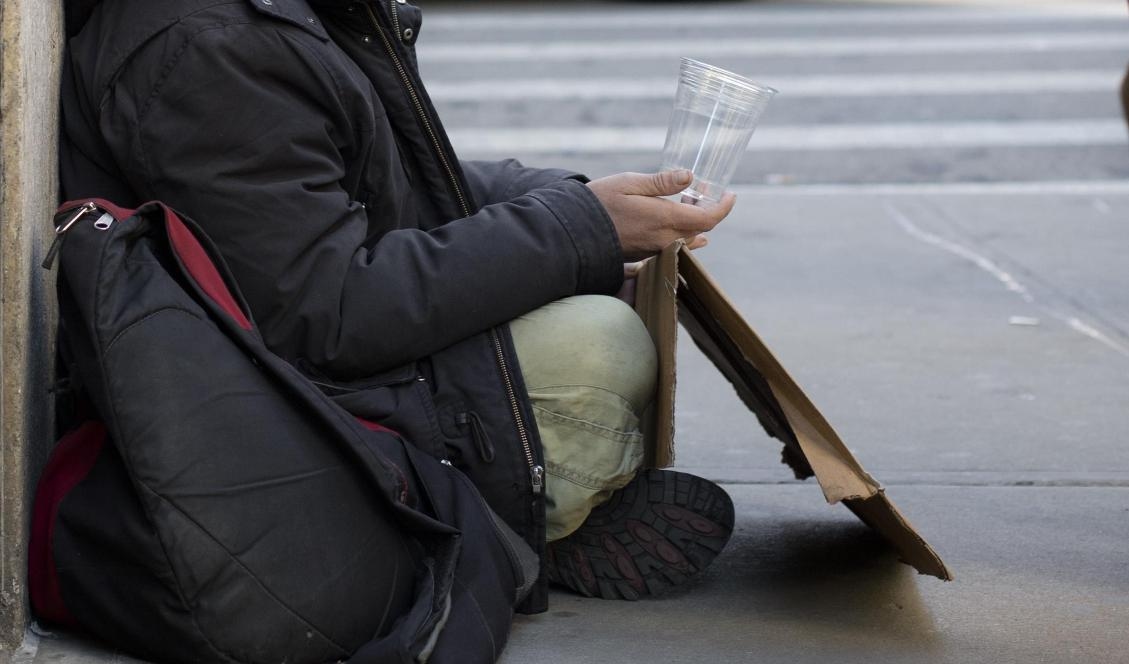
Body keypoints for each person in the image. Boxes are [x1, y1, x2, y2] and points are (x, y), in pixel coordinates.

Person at [58, 0, 736, 623]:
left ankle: (529, 504)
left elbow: (392, 187)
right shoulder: (213, 47)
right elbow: (327, 318)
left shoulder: (258, 20)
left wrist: (576, 203)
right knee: (597, 343)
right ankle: (517, 520)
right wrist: (577, 229)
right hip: (275, 415)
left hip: (295, 364)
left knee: (582, 287)